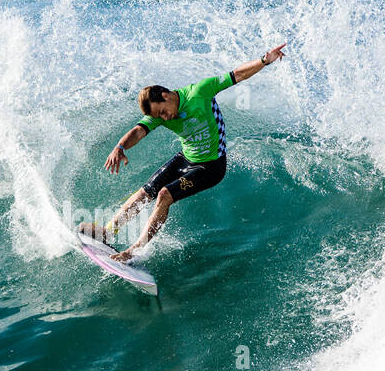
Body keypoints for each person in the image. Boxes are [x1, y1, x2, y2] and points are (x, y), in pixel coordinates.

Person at [82, 43, 286, 261]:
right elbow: (139, 131)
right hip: (186, 158)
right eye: (158, 116)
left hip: (211, 166)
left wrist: (265, 60)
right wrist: (120, 146)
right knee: (145, 193)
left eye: (162, 112)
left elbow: (237, 75)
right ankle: (107, 232)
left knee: (163, 195)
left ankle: (134, 251)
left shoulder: (199, 92)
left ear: (166, 95)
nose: (164, 118)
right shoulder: (159, 114)